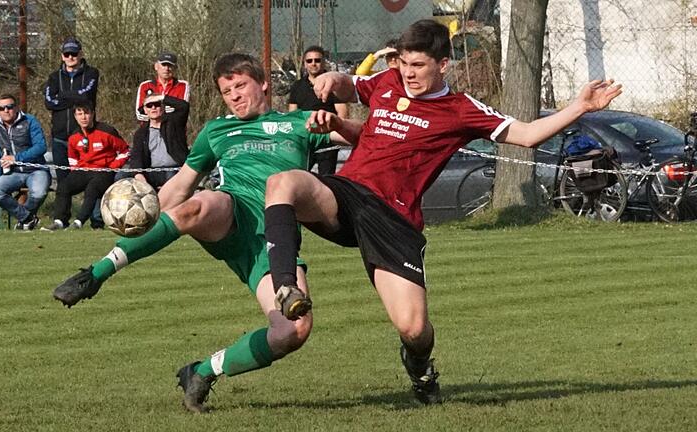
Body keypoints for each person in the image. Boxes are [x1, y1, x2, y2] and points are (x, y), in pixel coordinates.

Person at [263, 19, 623, 405]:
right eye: (403, 63)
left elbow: (528, 134)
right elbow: (355, 88)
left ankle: (420, 368)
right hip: (348, 195)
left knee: (414, 328)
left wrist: (581, 106)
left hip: (393, 219)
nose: (408, 73)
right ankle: (288, 286)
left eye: (418, 66)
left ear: (443, 65)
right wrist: (333, 80)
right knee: (283, 183)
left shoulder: (461, 109)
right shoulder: (388, 82)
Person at [51, 53, 359, 413]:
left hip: (274, 244)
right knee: (198, 204)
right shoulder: (216, 131)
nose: (234, 96)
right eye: (227, 91)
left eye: (240, 86)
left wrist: (337, 118)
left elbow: (365, 137)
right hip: (229, 214)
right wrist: (143, 214)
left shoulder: (298, 123)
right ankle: (95, 274)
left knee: (293, 331)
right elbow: (181, 186)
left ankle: (202, 371)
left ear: (263, 84)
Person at [42, 101, 128, 231]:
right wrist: (76, 171)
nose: (83, 117)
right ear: (75, 116)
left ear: (92, 114)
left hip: (104, 171)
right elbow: (72, 157)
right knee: (64, 186)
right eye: (79, 114)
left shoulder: (107, 131)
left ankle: (78, 222)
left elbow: (125, 151)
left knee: (92, 188)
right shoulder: (74, 136)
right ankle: (59, 221)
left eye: (86, 113)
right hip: (83, 170)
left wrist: (113, 167)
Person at [0, 94, 51, 230]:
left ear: (16, 107)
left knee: (39, 193)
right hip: (13, 173)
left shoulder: (30, 120)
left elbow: (41, 147)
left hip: (36, 169)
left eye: (9, 107)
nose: (6, 110)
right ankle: (28, 218)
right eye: (1, 108)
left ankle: (24, 220)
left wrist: (17, 158)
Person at [44, 37, 100, 186]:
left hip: (84, 135)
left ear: (80, 54)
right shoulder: (54, 77)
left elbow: (86, 95)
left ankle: (92, 210)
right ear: (62, 56)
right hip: (60, 138)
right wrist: (75, 97)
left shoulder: (92, 73)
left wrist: (62, 95)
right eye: (67, 54)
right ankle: (64, 210)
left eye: (74, 54)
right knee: (63, 184)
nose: (70, 57)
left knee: (90, 182)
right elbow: (49, 102)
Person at [288, 45, 348, 175]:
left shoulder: (333, 85)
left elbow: (342, 112)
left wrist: (335, 131)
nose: (313, 64)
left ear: (324, 62)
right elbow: (293, 114)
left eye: (317, 60)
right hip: (305, 139)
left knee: (327, 180)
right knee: (298, 177)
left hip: (327, 139)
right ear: (304, 63)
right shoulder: (297, 86)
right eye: (309, 61)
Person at [129, 93, 189, 189]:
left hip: (176, 169)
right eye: (149, 105)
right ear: (145, 110)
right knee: (122, 177)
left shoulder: (174, 123)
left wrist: (161, 97)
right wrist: (138, 175)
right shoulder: (141, 133)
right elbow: (136, 157)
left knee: (171, 178)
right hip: (153, 172)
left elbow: (184, 106)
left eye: (157, 104)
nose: (153, 108)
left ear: (163, 107)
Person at [135, 52, 190, 124]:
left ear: (175, 68)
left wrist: (155, 110)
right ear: (156, 66)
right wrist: (167, 110)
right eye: (163, 65)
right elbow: (139, 114)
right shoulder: (145, 86)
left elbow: (182, 110)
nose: (166, 69)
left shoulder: (183, 85)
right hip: (150, 132)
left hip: (174, 131)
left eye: (170, 65)